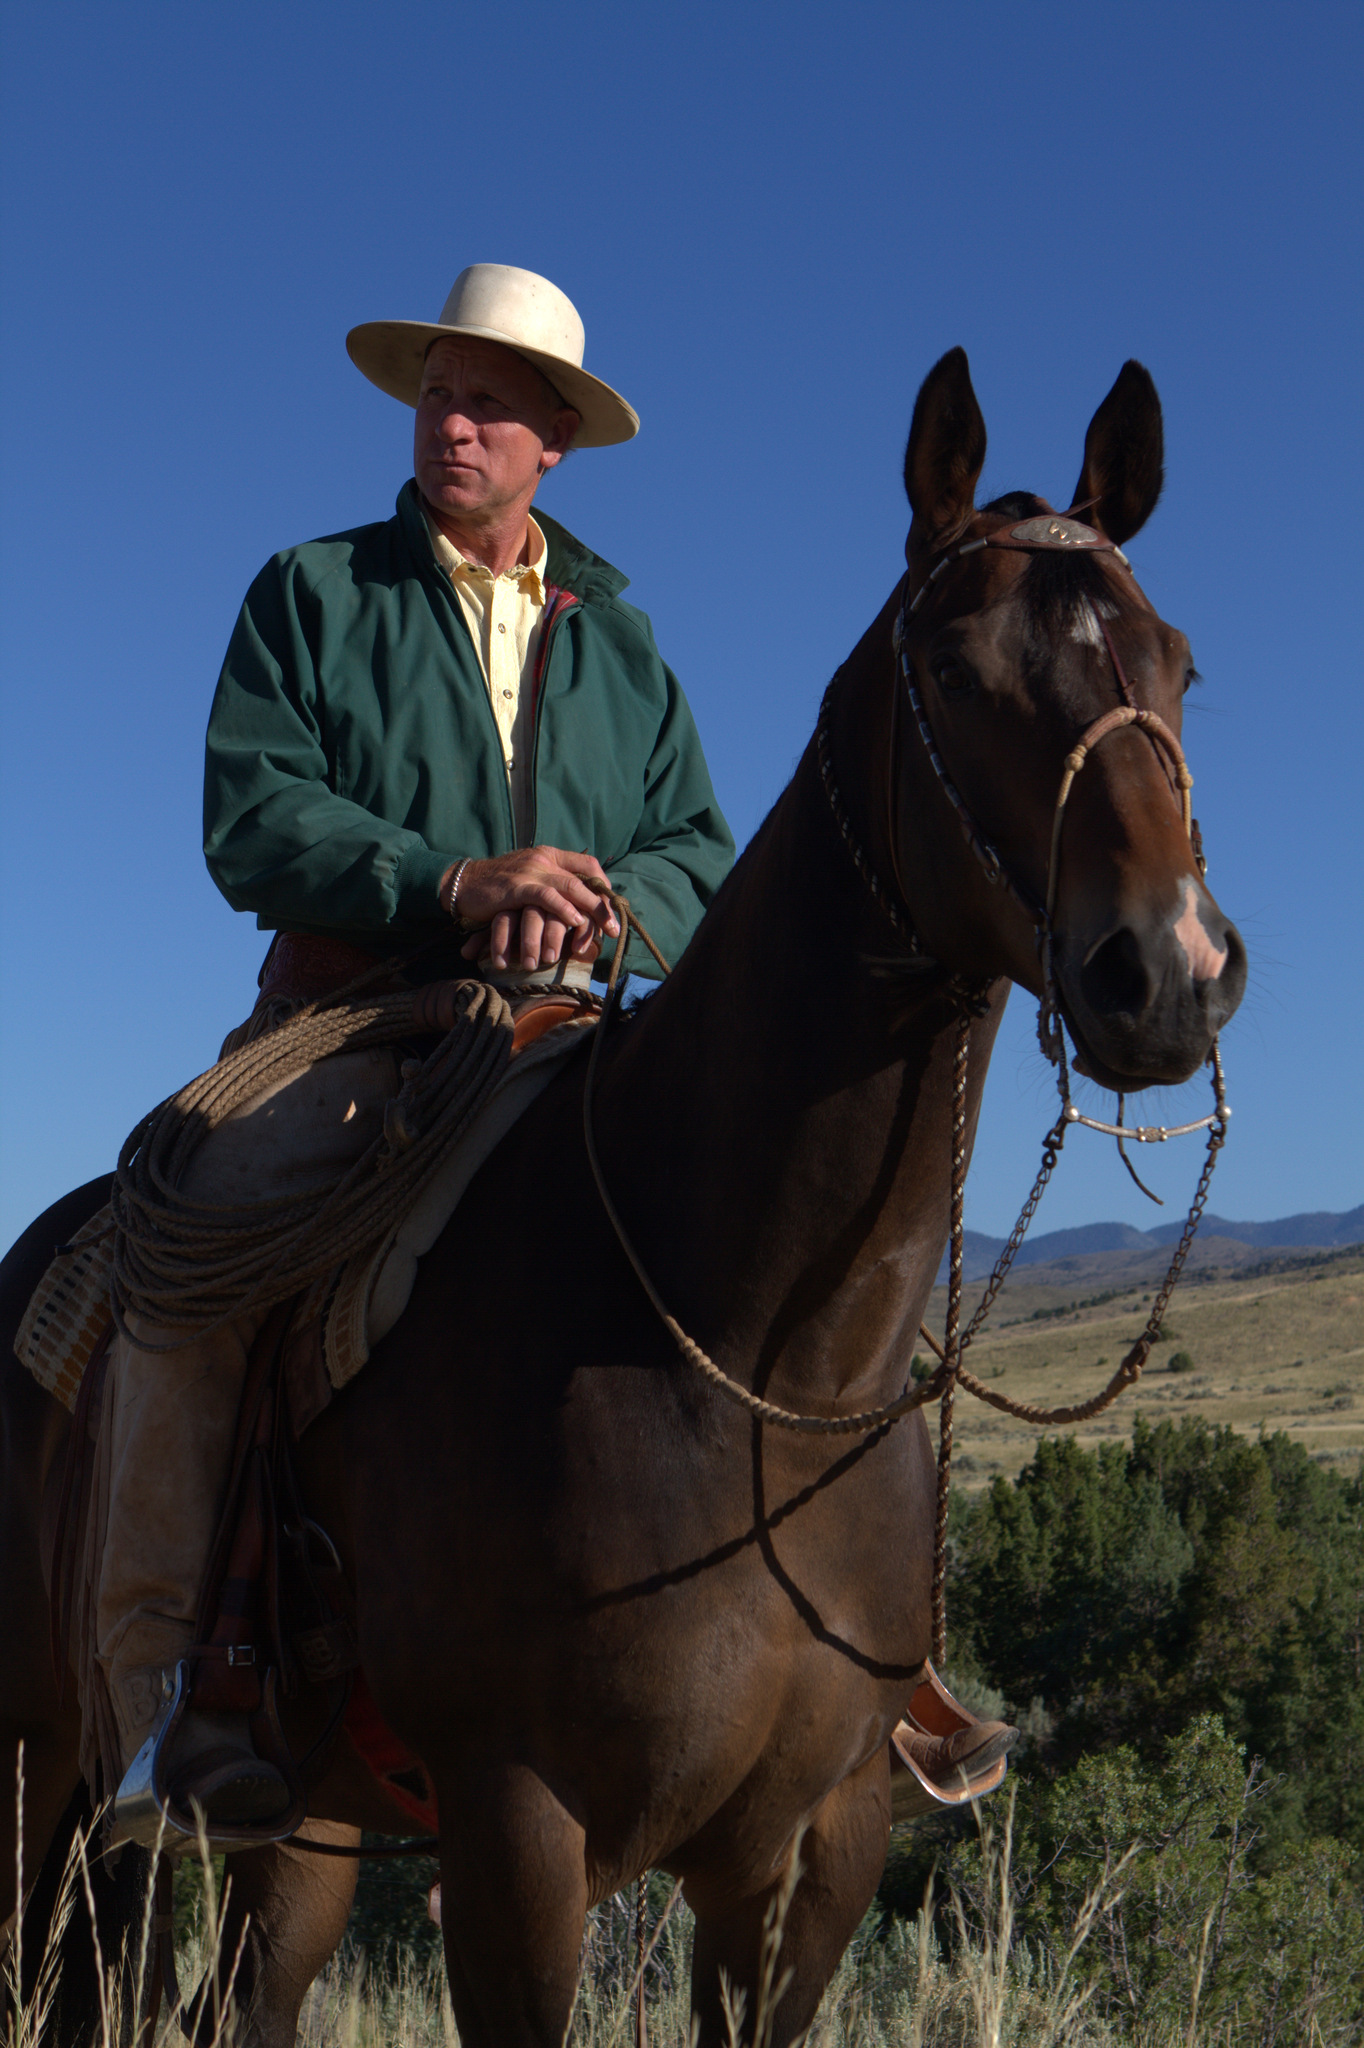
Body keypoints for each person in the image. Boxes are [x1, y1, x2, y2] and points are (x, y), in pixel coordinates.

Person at [97, 265, 735, 1832]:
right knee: (187, 1249)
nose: (454, 421)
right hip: (356, 1018)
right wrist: (448, 882)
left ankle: (867, 1671)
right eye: (440, 391)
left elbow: (699, 854)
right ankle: (174, 1685)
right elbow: (254, 813)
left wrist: (597, 907)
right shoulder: (314, 591)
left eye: (492, 401)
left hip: (578, 1026)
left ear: (554, 442)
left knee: (798, 1217)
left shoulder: (626, 650)